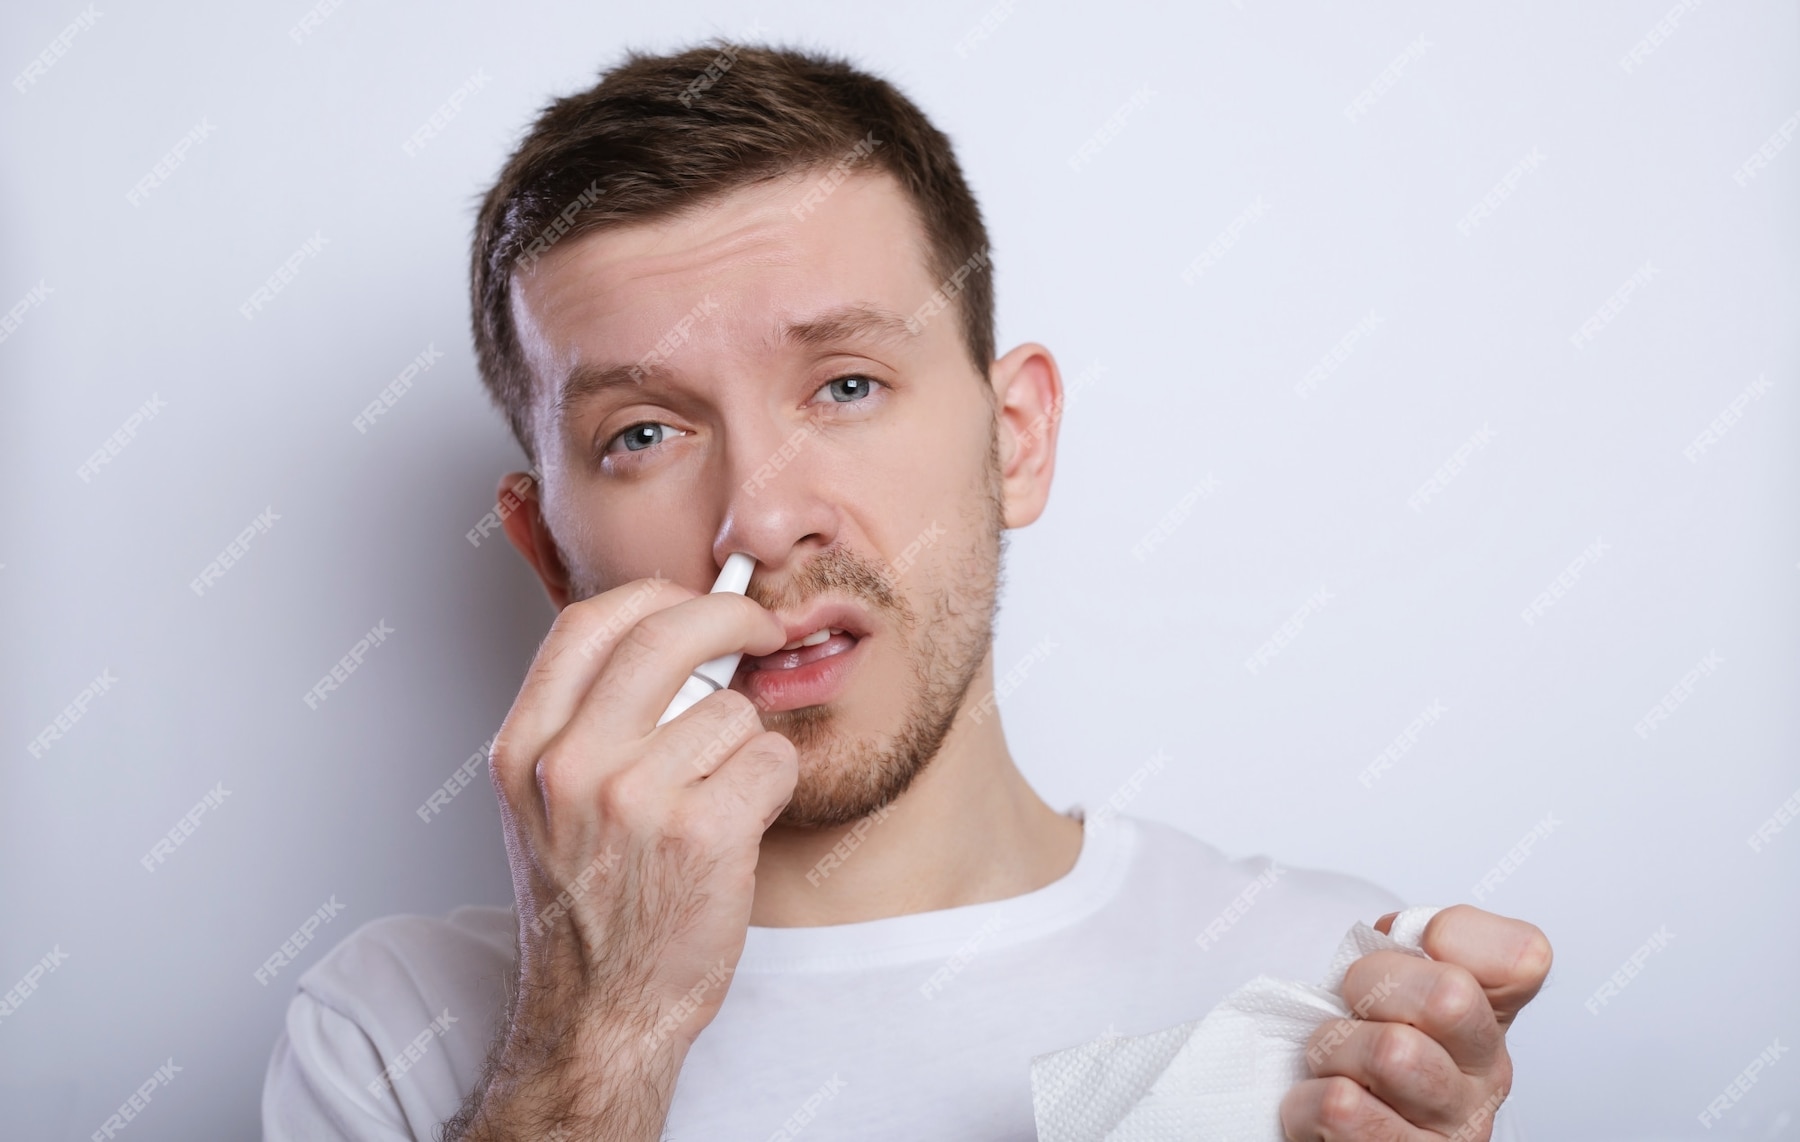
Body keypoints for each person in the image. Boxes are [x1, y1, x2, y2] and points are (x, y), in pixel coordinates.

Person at [261, 41, 1550, 1141]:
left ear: (1015, 442)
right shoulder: (393, 1033)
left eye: (846, 386)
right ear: (548, 553)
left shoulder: (1327, 990)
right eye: (644, 433)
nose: (762, 517)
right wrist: (599, 1035)